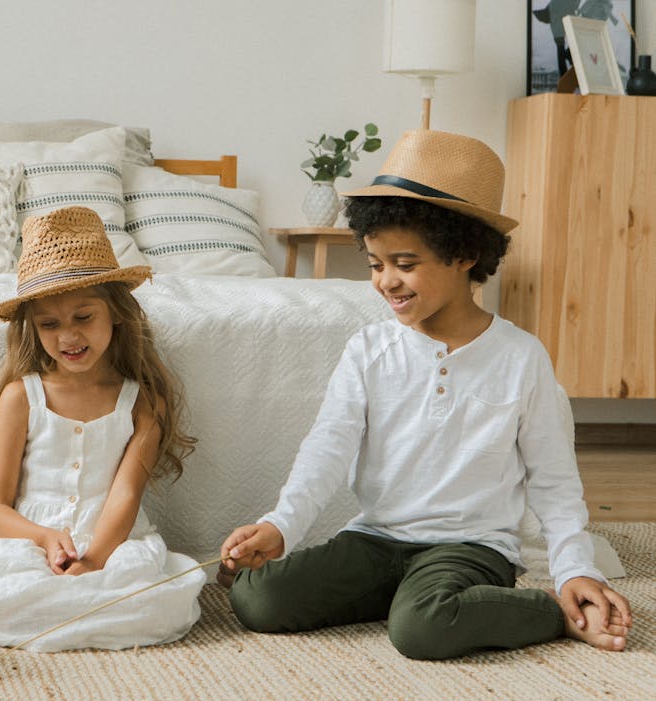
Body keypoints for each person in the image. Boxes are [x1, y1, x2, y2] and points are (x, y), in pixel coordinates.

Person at [218, 130, 633, 659]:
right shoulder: (368, 349)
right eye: (375, 264)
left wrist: (575, 569)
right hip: (375, 539)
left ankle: (554, 613)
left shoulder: (521, 357)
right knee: (258, 598)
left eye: (404, 264)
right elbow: (328, 447)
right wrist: (281, 525)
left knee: (422, 631)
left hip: (470, 548)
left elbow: (553, 481)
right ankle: (410, 597)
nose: (385, 282)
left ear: (464, 254)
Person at [0, 206, 204, 651]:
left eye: (84, 317)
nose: (68, 337)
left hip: (112, 540)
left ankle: (75, 600)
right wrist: (44, 538)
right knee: (2, 590)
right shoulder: (21, 398)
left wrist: (96, 558)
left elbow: (125, 493)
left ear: (115, 313)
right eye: (49, 324)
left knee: (151, 599)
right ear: (33, 327)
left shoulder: (141, 401)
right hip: (29, 538)